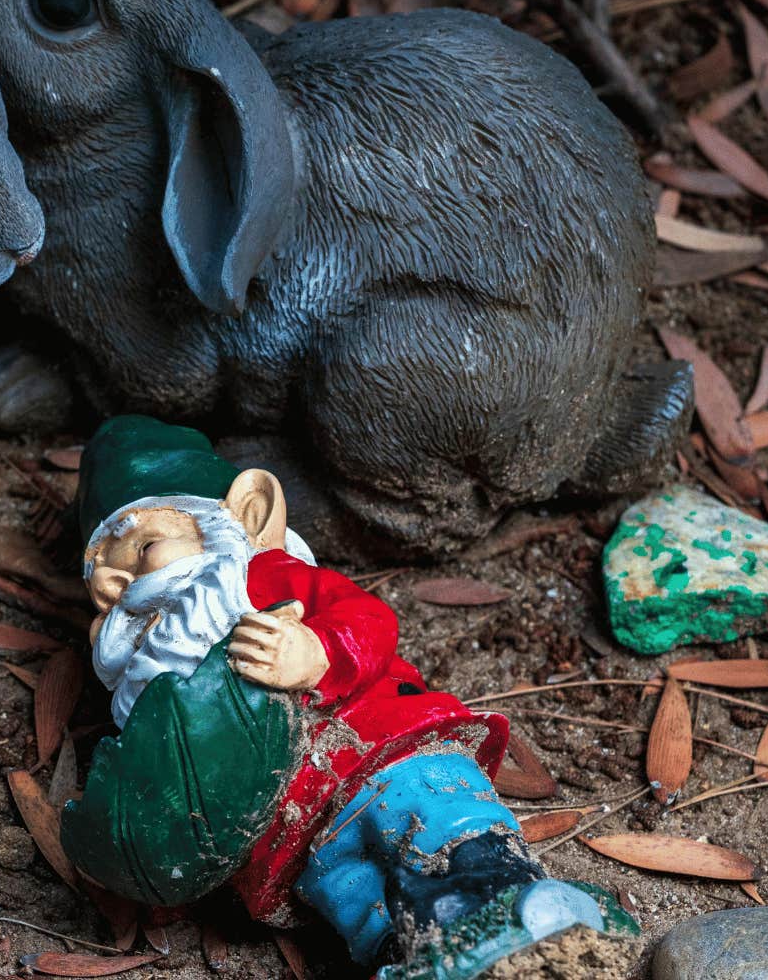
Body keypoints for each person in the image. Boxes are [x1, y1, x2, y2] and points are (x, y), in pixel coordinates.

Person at [63, 416, 636, 977]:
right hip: (288, 835)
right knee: (355, 900)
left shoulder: (259, 581)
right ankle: (405, 956)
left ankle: (505, 898)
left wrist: (316, 653)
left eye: (142, 549)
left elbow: (368, 619)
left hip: (378, 752)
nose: (124, 587)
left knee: (438, 826)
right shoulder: (148, 681)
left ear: (245, 516)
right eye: (105, 587)